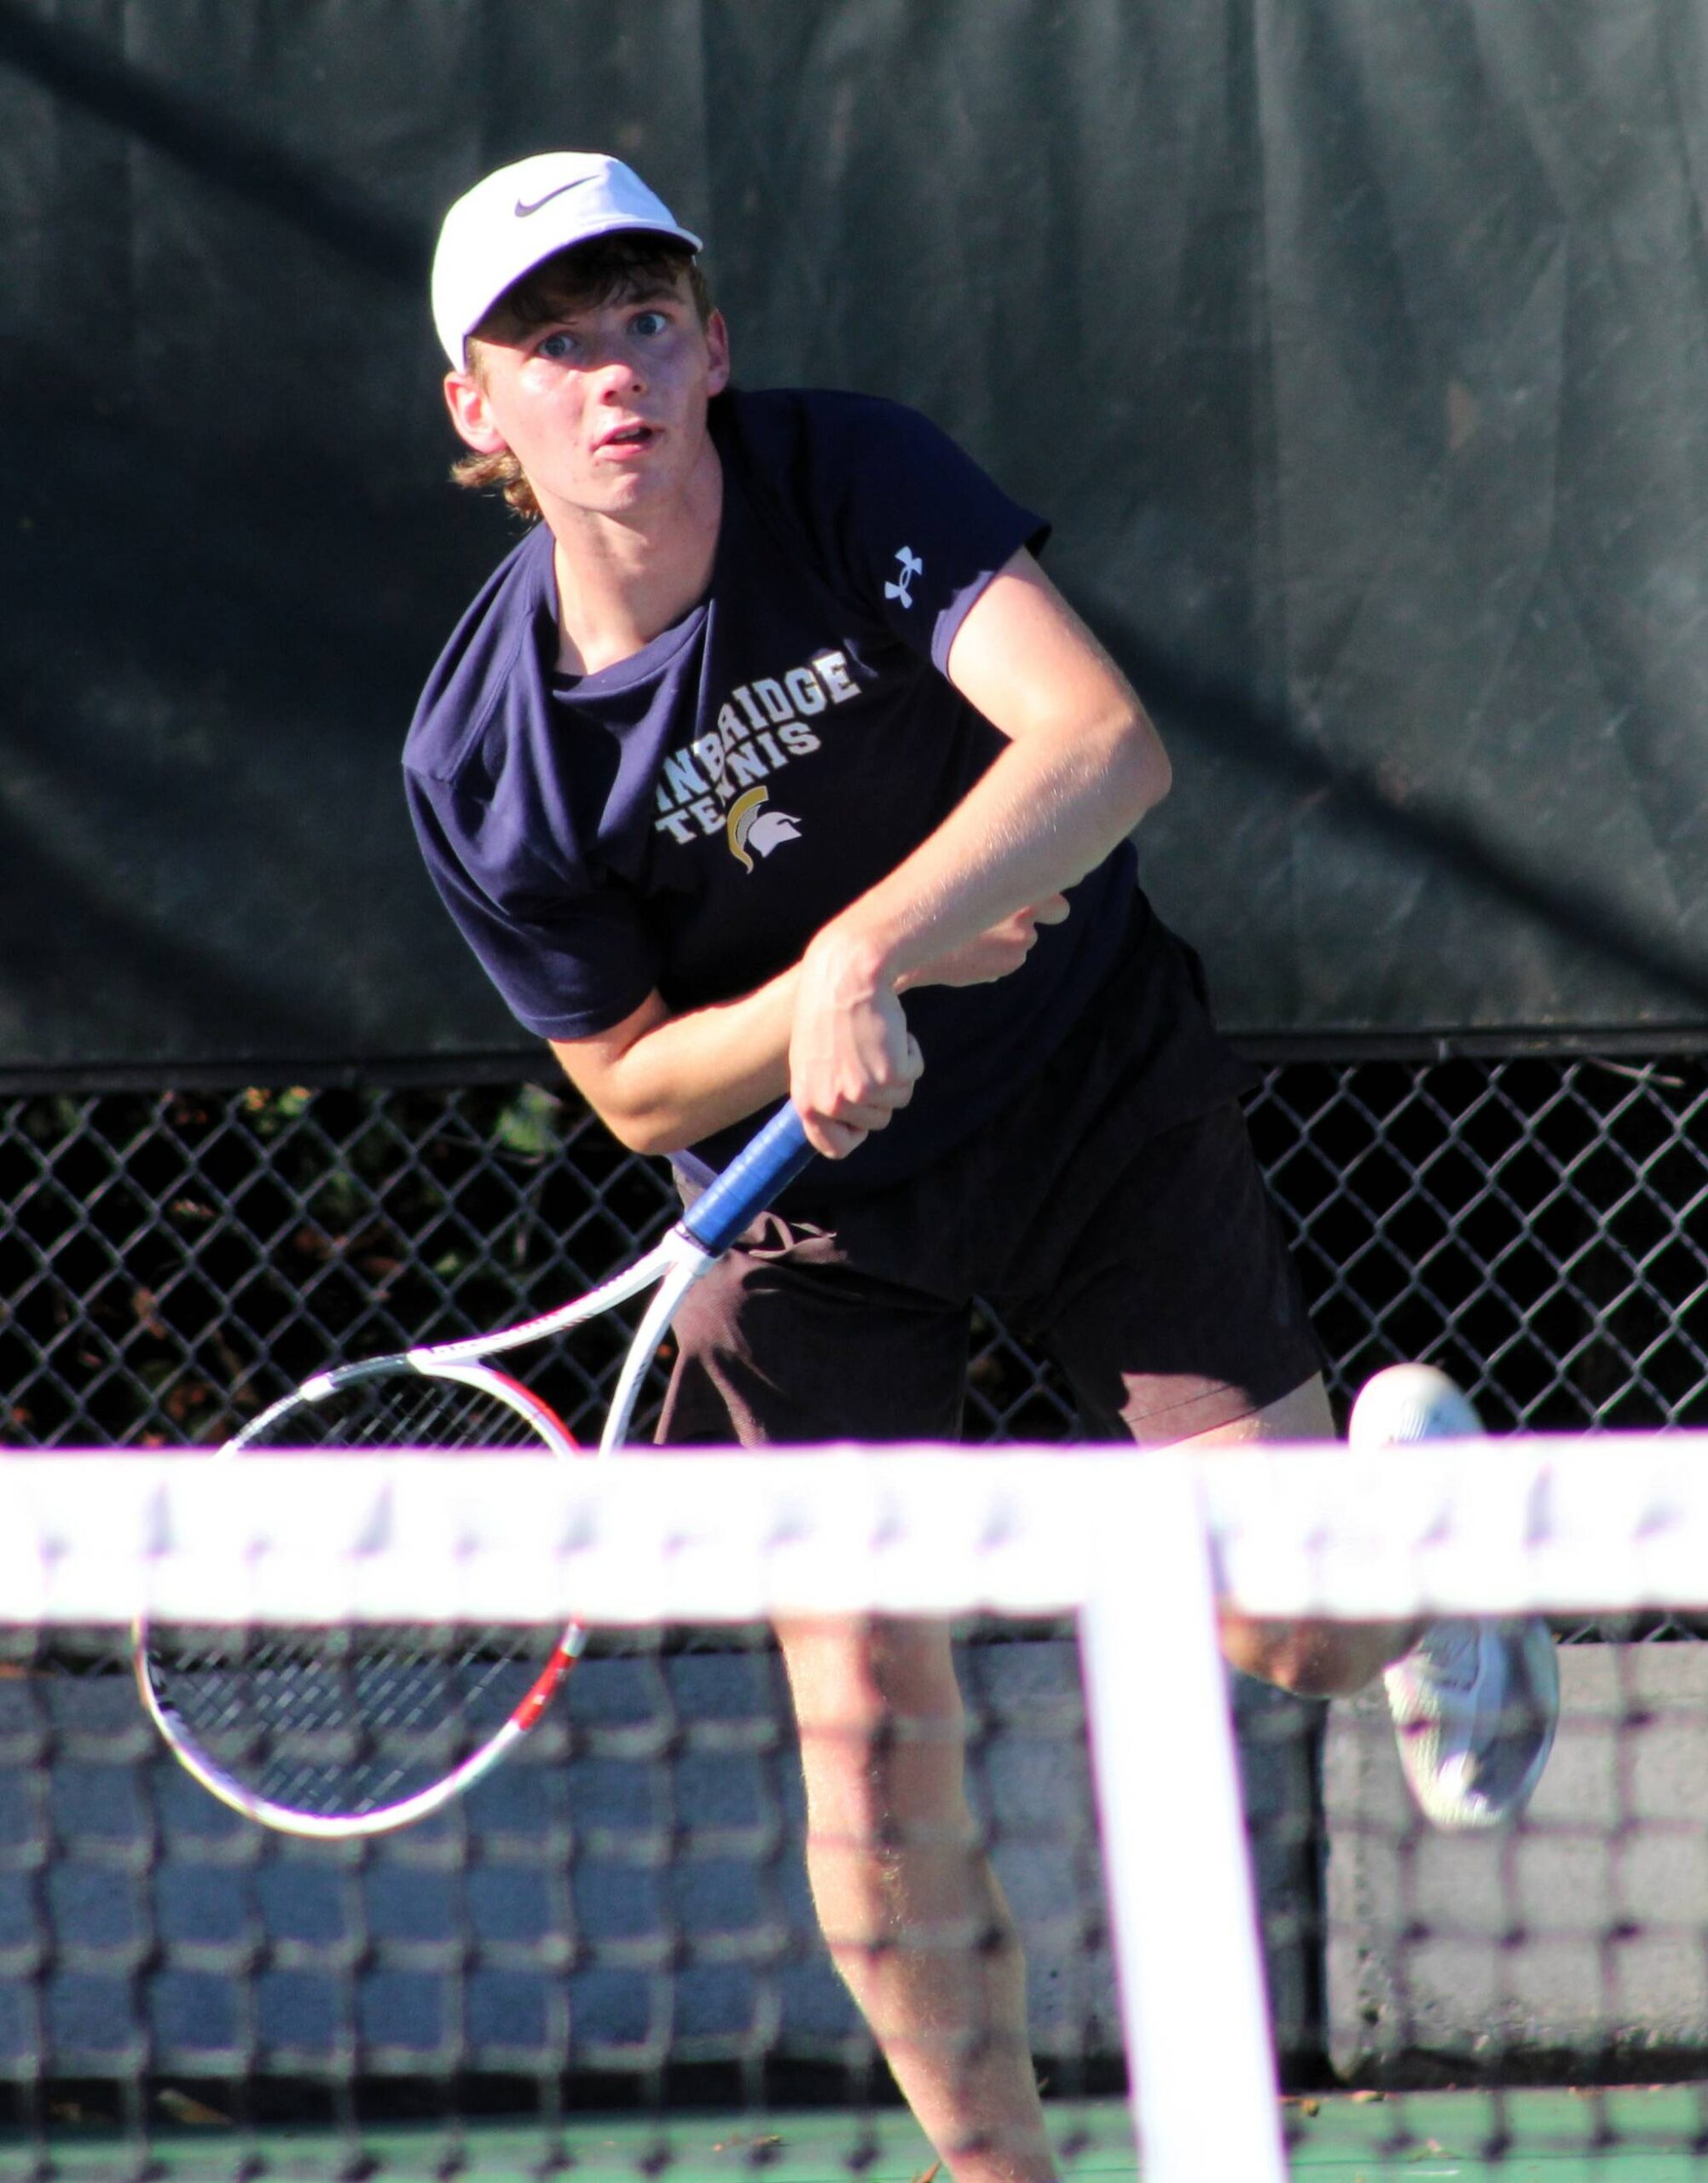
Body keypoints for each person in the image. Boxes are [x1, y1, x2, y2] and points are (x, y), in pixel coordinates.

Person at [406, 151, 1557, 2183]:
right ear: (475, 410)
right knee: (862, 1728)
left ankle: (1426, 1558)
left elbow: (1101, 743)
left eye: (647, 320)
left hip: (1085, 1082)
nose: (617, 380)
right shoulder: (482, 753)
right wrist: (826, 1016)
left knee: (1287, 1628)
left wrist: (876, 939)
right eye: (556, 344)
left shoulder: (851, 479)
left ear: (715, 342)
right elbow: (636, 1090)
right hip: (811, 1222)